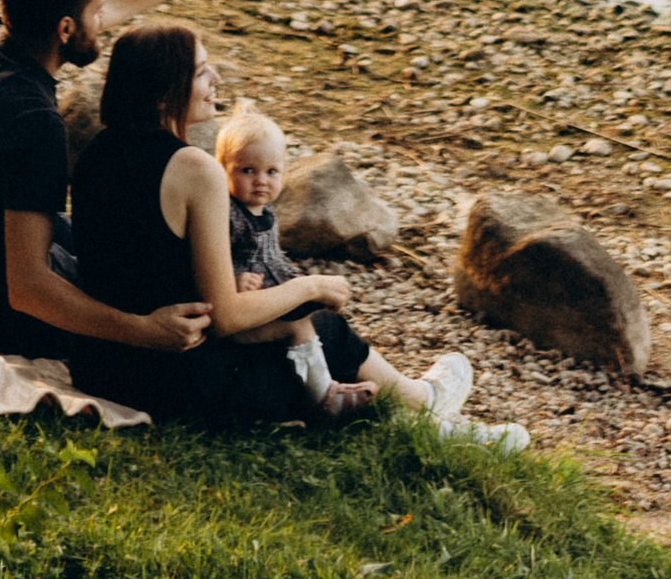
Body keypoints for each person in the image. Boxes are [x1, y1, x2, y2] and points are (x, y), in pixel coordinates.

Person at [0, 0, 268, 377]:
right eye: (97, 12)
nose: (107, 19)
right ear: (65, 28)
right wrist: (143, 329)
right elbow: (29, 289)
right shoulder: (31, 122)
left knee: (130, 244)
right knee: (173, 292)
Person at [62, 22, 360, 423]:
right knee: (323, 325)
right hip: (179, 379)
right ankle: (421, 403)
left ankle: (419, 398)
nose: (216, 79)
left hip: (101, 364)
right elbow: (227, 316)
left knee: (307, 325)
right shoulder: (195, 168)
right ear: (163, 94)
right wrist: (310, 285)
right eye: (201, 71)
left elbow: (143, 267)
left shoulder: (97, 151)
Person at [217, 108, 526, 447]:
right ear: (222, 170)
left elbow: (272, 259)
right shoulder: (228, 217)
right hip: (246, 327)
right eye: (247, 170)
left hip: (259, 322)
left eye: (271, 171)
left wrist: (301, 286)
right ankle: (422, 409)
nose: (261, 180)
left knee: (320, 325)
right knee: (316, 328)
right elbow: (220, 267)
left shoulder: (263, 214)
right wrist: (236, 280)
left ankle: (430, 416)